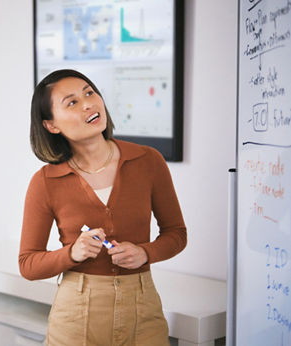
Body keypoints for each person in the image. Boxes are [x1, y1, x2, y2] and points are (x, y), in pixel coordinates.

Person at [19, 69, 187, 346]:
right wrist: (72, 252)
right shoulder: (45, 182)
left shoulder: (148, 161)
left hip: (142, 309)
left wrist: (145, 253)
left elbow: (177, 234)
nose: (88, 103)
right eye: (72, 102)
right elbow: (28, 264)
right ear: (51, 125)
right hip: (76, 314)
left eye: (89, 92)